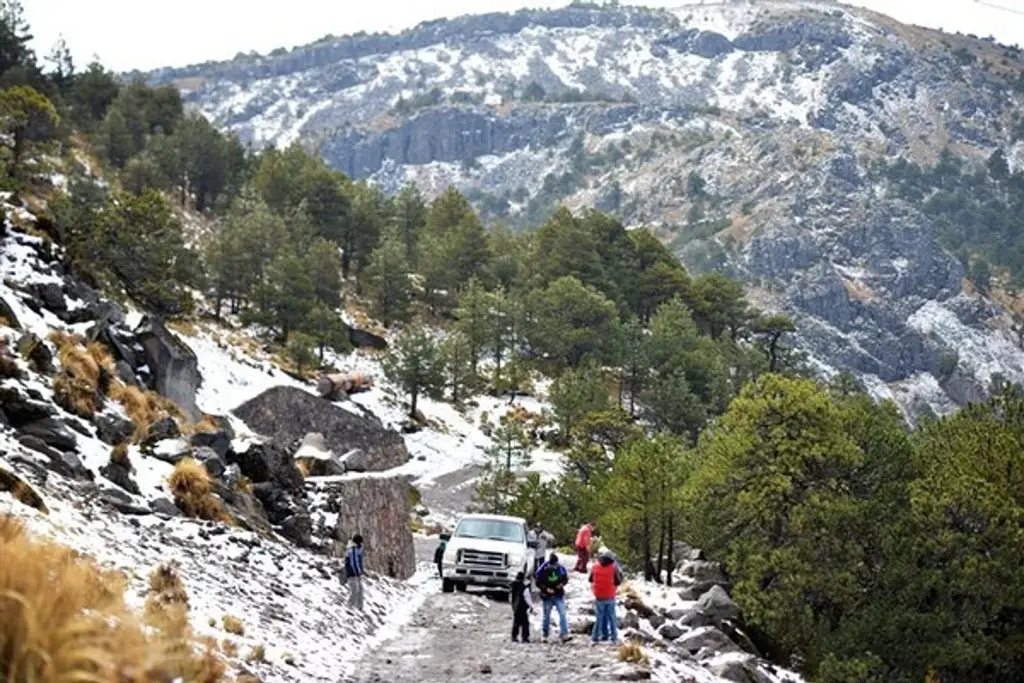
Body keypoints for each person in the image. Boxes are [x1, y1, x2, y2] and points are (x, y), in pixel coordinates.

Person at [589, 546, 623, 645]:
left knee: (599, 617)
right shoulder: (614, 566)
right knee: (612, 617)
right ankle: (614, 638)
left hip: (598, 595)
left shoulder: (595, 565)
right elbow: (618, 581)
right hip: (610, 595)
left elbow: (590, 579)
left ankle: (596, 638)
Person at [535, 552, 570, 642]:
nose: (554, 566)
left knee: (562, 614)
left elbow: (566, 578)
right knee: (546, 616)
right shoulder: (543, 569)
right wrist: (546, 589)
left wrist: (562, 584)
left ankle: (564, 634)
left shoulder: (561, 568)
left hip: (558, 595)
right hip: (547, 596)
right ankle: (545, 634)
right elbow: (538, 582)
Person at [510, 570, 534, 643]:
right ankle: (525, 637)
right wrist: (531, 606)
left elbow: (510, 597)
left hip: (515, 607)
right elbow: (527, 598)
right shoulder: (524, 588)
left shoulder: (512, 586)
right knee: (525, 623)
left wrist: (512, 605)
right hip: (522, 607)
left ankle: (514, 636)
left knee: (516, 622)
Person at [345, 533, 365, 611]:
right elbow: (354, 562)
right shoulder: (352, 549)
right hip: (353, 573)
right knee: (354, 590)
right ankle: (350, 606)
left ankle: (359, 607)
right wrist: (358, 572)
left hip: (356, 573)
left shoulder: (356, 549)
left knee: (359, 589)